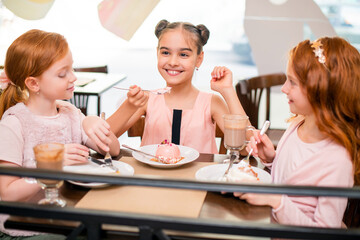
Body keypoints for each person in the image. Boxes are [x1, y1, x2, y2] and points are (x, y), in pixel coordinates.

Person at [0, 29, 145, 237]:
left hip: (70, 216)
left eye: (72, 68)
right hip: (29, 228)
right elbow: (8, 193)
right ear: (33, 83)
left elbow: (112, 150)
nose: (73, 77)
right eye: (62, 73)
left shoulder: (71, 113)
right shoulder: (14, 124)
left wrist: (93, 123)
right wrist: (52, 165)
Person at [237, 37, 360, 228]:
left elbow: (325, 232)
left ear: (322, 90)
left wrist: (276, 201)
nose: (284, 88)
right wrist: (271, 159)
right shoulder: (299, 123)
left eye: (292, 82)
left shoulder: (337, 160)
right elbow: (288, 179)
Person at [107, 19, 246, 154]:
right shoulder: (147, 99)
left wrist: (228, 91)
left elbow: (245, 148)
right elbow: (102, 139)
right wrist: (129, 105)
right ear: (157, 53)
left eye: (183, 54)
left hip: (197, 177)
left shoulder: (212, 103)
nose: (173, 62)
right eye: (166, 53)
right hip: (152, 177)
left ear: (199, 59)